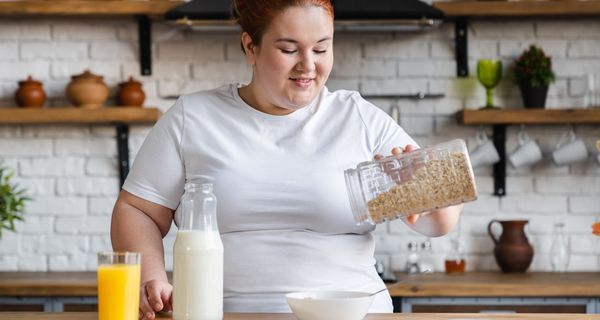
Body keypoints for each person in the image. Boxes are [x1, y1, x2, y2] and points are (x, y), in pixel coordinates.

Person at [110, 0, 463, 319]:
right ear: (250, 46)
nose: (308, 65)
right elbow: (137, 209)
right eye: (289, 49)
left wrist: (427, 201)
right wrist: (151, 277)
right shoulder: (194, 116)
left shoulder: (359, 118)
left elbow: (438, 220)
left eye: (322, 48)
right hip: (222, 315)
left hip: (356, 316)